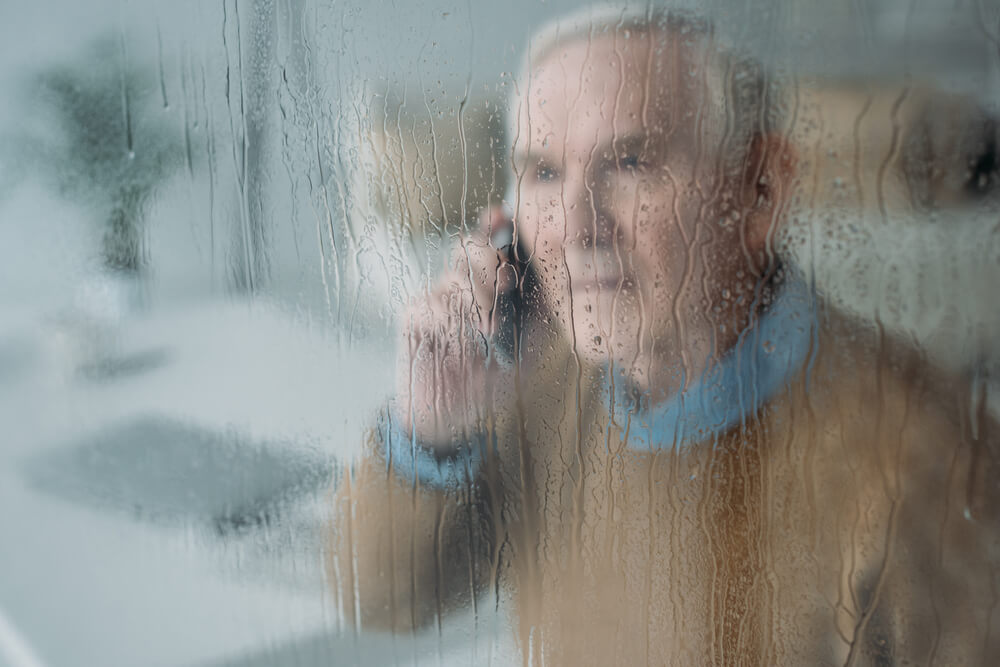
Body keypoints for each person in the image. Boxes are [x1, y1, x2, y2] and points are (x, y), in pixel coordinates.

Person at [328, 6, 1000, 665]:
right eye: (544, 171)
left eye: (629, 162)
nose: (578, 228)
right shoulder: (542, 373)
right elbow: (385, 599)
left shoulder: (935, 469)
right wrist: (432, 430)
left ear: (760, 190)